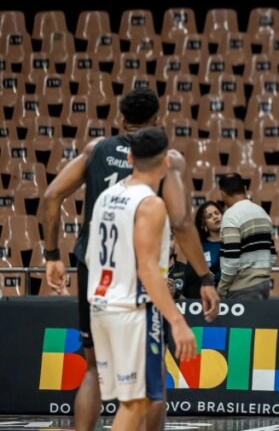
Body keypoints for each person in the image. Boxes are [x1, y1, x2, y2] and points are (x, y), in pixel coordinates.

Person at [40, 87, 218, 431]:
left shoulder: (100, 165)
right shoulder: (154, 189)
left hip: (96, 279)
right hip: (135, 289)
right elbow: (178, 228)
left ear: (122, 121)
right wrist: (202, 282)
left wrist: (51, 256)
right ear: (157, 123)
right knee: (147, 390)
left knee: (93, 369)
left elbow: (50, 196)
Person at [85, 127, 197, 431]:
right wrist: (177, 321)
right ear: (165, 164)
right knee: (138, 403)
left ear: (130, 157)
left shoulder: (108, 195)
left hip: (101, 305)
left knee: (133, 403)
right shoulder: (151, 204)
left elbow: (90, 254)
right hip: (132, 310)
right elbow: (147, 269)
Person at [216, 173, 276, 299]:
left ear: (222, 193)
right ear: (244, 188)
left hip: (242, 289)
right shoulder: (262, 213)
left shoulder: (231, 215)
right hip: (264, 285)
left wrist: (221, 289)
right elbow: (273, 255)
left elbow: (231, 261)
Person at [180, 202, 223, 298]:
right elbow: (190, 277)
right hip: (204, 295)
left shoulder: (233, 241)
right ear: (204, 224)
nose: (215, 217)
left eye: (217, 213)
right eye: (209, 216)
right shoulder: (199, 247)